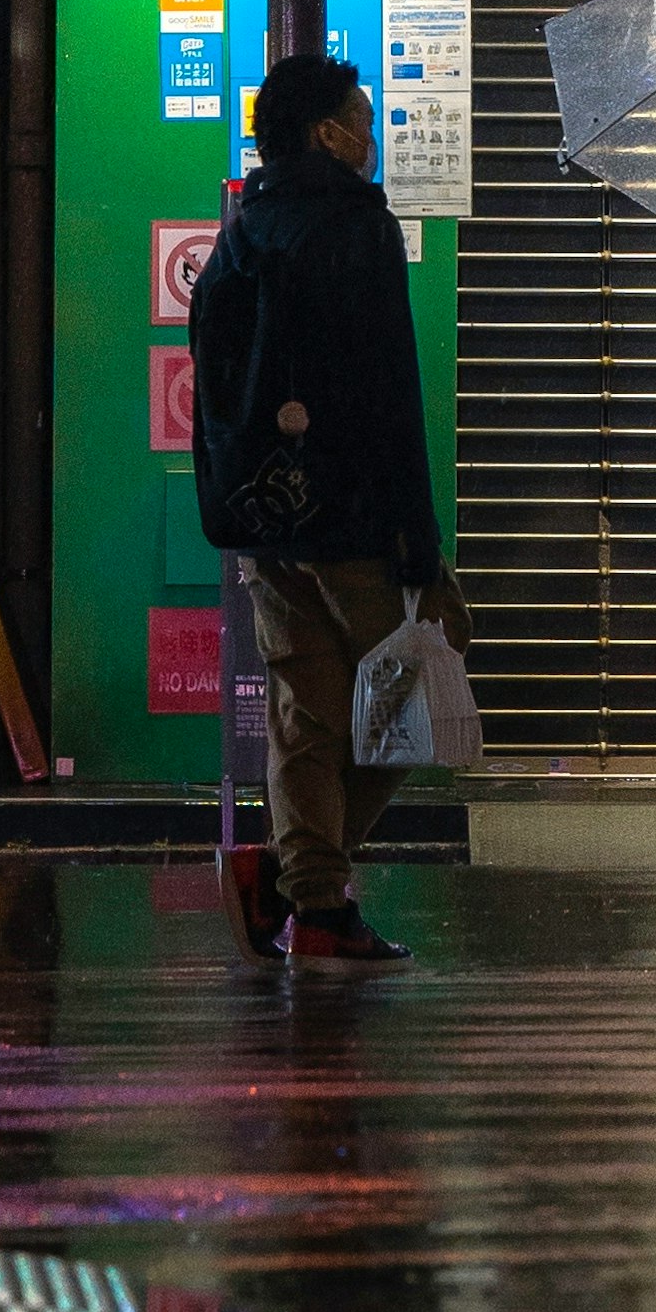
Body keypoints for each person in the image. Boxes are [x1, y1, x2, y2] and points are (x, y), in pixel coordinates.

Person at [189, 51, 467, 964]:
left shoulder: (244, 228)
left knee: (309, 714)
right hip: (354, 518)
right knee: (403, 705)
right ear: (328, 133)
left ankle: (312, 901)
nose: (374, 138)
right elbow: (389, 391)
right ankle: (298, 878)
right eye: (363, 117)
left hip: (270, 515)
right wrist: (419, 544)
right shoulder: (356, 228)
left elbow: (219, 384)